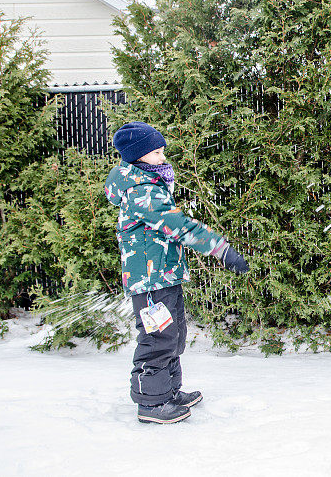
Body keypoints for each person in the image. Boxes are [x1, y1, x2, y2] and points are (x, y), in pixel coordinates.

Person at [104, 121, 249, 424]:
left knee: (174, 334)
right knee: (158, 338)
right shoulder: (141, 192)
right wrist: (220, 249)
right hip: (150, 281)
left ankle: (167, 391)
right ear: (138, 156)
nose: (162, 158)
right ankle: (151, 403)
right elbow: (179, 225)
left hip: (164, 275)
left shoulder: (148, 184)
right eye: (156, 153)